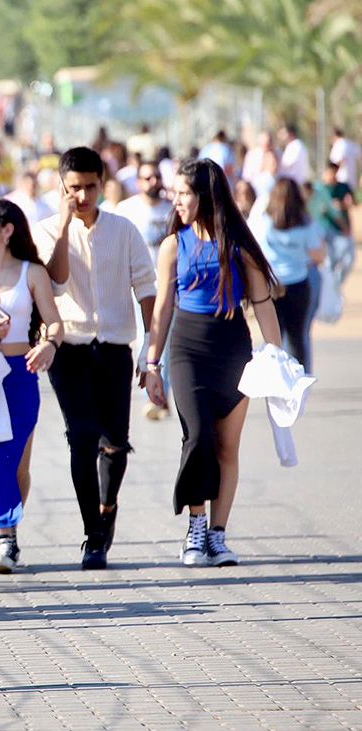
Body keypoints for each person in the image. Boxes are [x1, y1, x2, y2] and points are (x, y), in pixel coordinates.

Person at [144, 159, 283, 567]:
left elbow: (262, 305)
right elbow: (163, 307)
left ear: (204, 196)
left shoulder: (239, 246)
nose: (176, 199)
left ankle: (218, 536)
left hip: (233, 350)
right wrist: (153, 363)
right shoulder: (174, 244)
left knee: (227, 447)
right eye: (176, 192)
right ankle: (196, 527)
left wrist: (277, 359)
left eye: (184, 192)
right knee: (198, 436)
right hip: (187, 349)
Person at [32, 146, 157, 570]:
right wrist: (67, 224)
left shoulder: (124, 230)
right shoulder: (48, 230)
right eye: (74, 188)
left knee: (115, 443)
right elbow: (56, 281)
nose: (82, 196)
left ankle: (107, 507)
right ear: (61, 187)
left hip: (115, 347)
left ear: (101, 184)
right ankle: (93, 535)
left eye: (89, 187)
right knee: (81, 437)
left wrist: (150, 348)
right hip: (69, 348)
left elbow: (146, 288)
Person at [0, 200, 64, 574]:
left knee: (16, 461)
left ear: (7, 231)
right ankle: (3, 540)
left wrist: (49, 345)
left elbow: (54, 322)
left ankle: (10, 533)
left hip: (20, 372)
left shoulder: (31, 272)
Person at [116, 160, 176, 421]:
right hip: (140, 287)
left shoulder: (172, 209)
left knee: (169, 342)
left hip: (170, 286)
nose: (153, 182)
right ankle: (152, 395)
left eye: (156, 177)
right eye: (147, 178)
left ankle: (162, 395)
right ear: (138, 182)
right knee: (145, 339)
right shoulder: (126, 210)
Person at [249, 177, 325, 373]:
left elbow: (255, 247)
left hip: (272, 284)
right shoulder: (306, 222)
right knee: (298, 336)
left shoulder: (265, 221)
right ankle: (300, 381)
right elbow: (319, 254)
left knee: (274, 340)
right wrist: (299, 253)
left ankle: (276, 380)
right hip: (299, 283)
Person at [310, 160, 356, 283]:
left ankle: (335, 285)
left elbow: (352, 202)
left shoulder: (343, 186)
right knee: (329, 262)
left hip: (341, 231)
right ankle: (330, 288)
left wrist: (345, 205)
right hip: (325, 230)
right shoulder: (319, 189)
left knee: (348, 259)